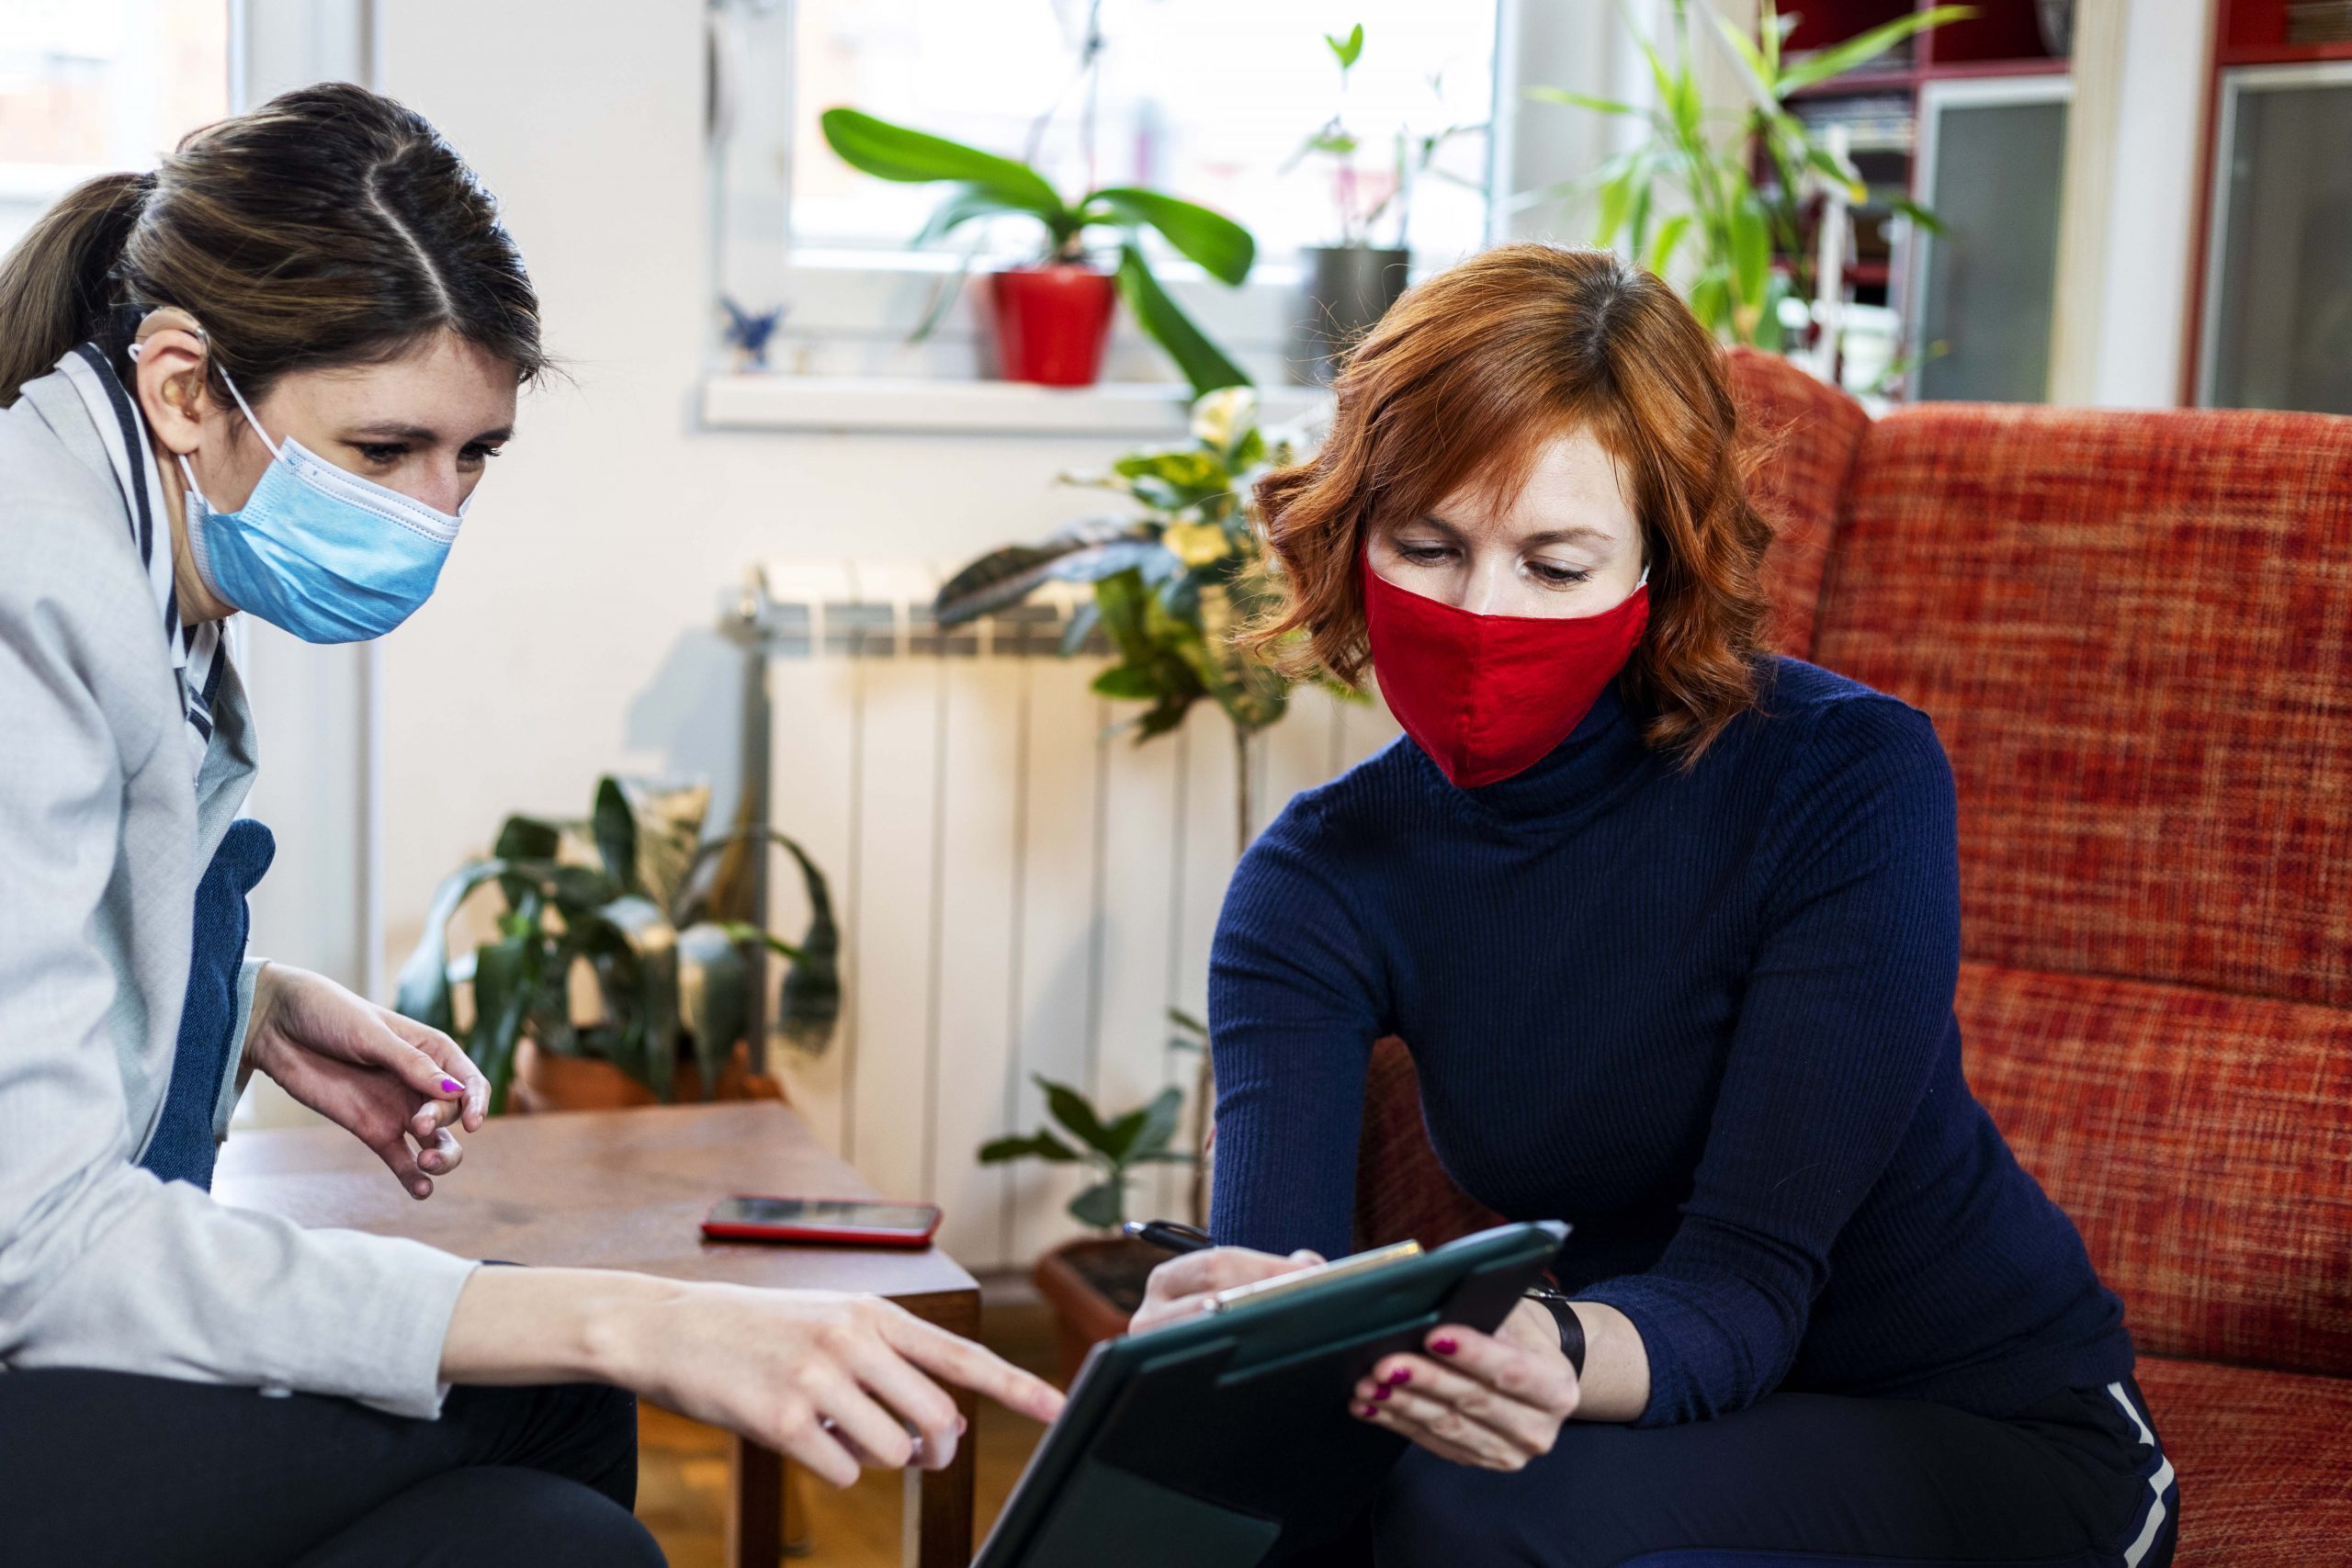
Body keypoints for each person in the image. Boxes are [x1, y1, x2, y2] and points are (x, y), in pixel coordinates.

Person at [0, 85, 1060, 1568]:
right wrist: (630, 1311)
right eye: (383, 453)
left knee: (556, 1535)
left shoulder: (136, 535)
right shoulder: (28, 581)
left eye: (472, 453)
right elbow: (35, 1242)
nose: (434, 513)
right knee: (567, 1378)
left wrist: (239, 1006)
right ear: (185, 387)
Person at [1132, 245, 2179, 1568]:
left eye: (1555, 565)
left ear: (1656, 573)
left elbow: (1746, 1291)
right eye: (1428, 546)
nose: (1478, 613)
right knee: (1301, 1515)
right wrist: (1235, 1337)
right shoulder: (1314, 883)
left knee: (1464, 1524)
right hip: (1663, 1421)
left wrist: (1543, 1349)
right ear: (1351, 534)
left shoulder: (1843, 776)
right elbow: (1273, 1313)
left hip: (1983, 1421)